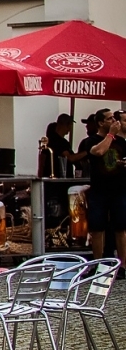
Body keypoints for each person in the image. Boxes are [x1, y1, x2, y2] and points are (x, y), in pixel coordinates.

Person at [79, 109, 126, 261]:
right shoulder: (91, 141)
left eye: (114, 118)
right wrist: (111, 135)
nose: (114, 121)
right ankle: (99, 264)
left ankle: (122, 265)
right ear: (100, 123)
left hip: (119, 190)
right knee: (97, 228)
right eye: (110, 118)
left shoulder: (121, 142)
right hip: (99, 191)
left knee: (120, 228)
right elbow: (98, 152)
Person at [39, 114, 74, 178]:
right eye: (70, 125)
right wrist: (87, 151)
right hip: (58, 178)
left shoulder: (61, 142)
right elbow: (70, 158)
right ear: (67, 125)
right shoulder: (57, 141)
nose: (70, 129)